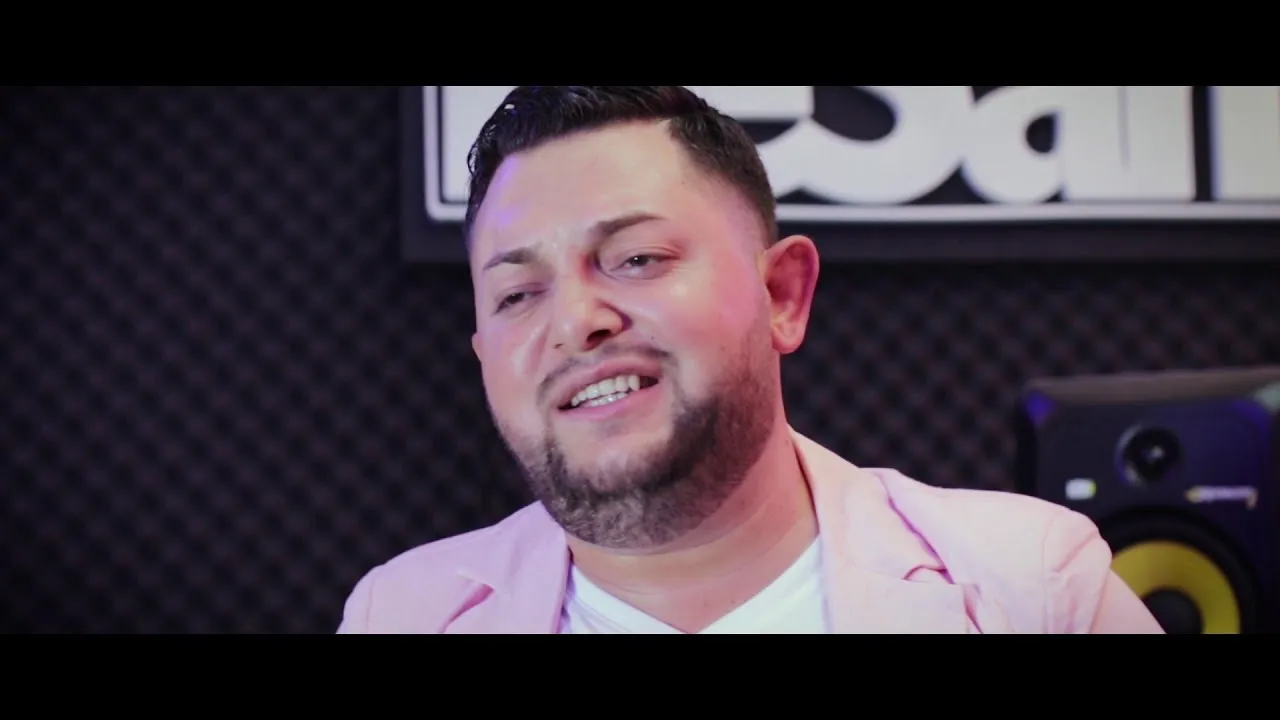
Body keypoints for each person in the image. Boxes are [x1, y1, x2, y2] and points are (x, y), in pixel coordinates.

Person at [337, 86, 1164, 634]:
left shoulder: (1034, 587)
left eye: (636, 258)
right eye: (519, 294)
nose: (575, 322)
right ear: (484, 353)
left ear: (782, 295)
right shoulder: (401, 616)